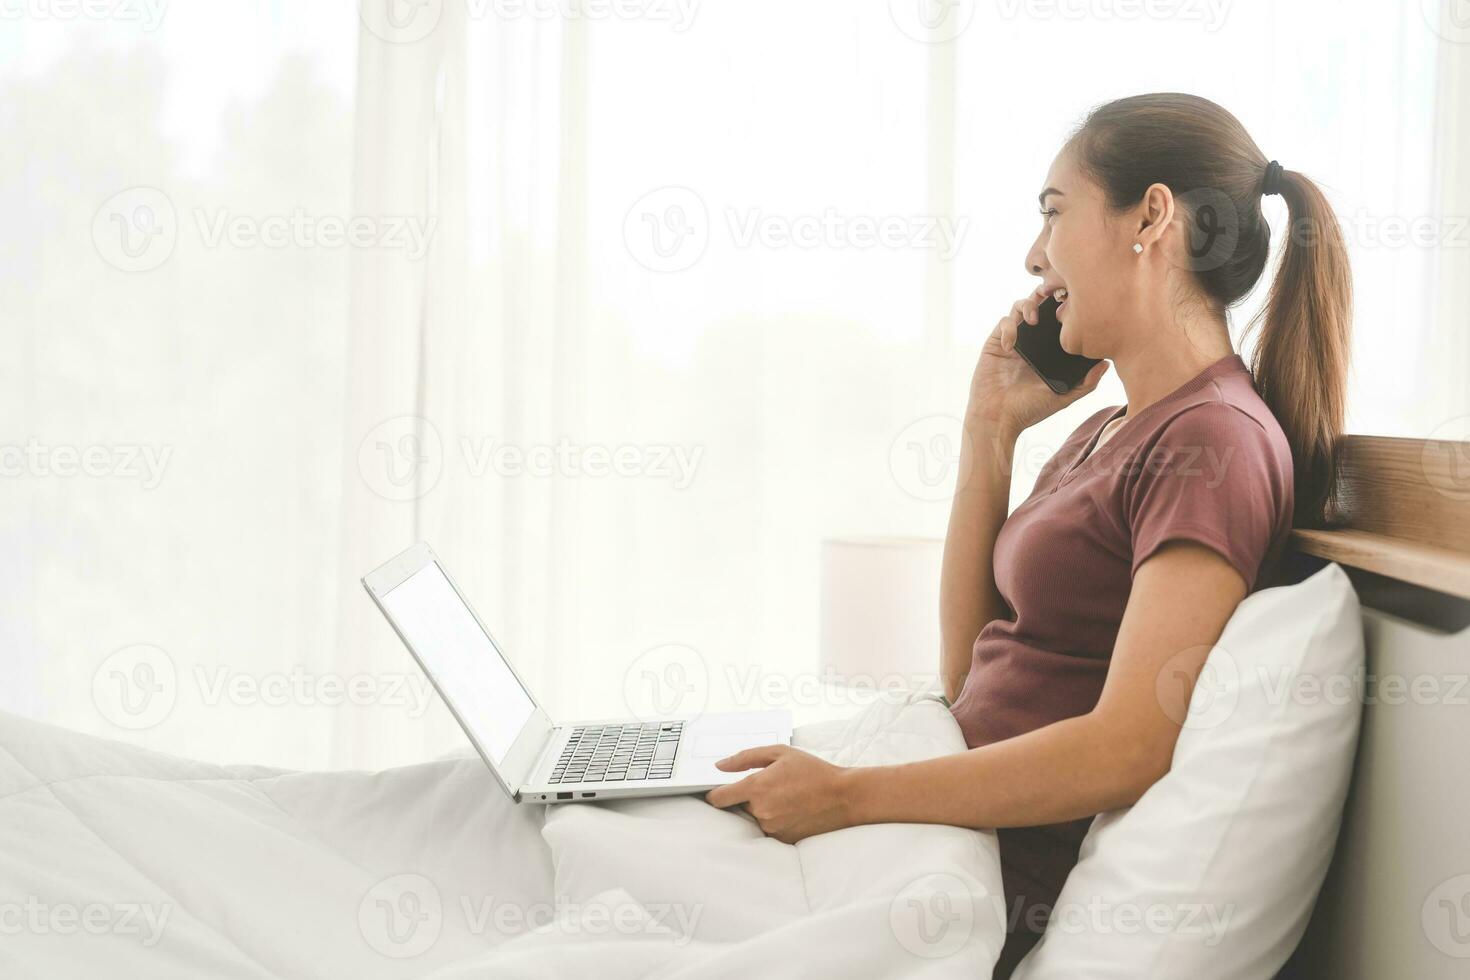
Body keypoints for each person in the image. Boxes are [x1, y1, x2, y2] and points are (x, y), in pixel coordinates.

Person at [704, 92, 1353, 976]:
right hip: (926, 830)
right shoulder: (1112, 427)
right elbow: (968, 673)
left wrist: (851, 797)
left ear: (1151, 217)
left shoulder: (1213, 443)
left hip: (968, 879)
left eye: (1053, 215)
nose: (1034, 257)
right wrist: (990, 430)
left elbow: (1128, 744)